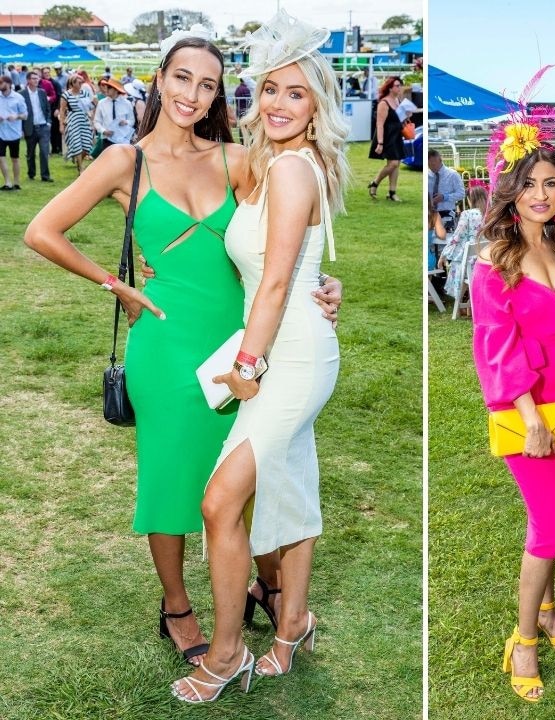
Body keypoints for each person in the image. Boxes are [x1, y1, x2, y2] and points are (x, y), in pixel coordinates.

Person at [25, 25, 343, 685]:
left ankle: (266, 587)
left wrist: (324, 286)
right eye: (181, 78)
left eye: (207, 84)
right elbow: (41, 230)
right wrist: (116, 285)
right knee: (172, 480)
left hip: (240, 343)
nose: (192, 95)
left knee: (239, 476)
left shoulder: (237, 159)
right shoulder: (122, 161)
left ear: (219, 94)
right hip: (166, 346)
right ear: (159, 80)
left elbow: (287, 239)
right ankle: (177, 609)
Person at [166, 11, 350, 701]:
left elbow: (276, 282)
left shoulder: (296, 168)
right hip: (288, 341)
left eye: (295, 93)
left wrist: (246, 366)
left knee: (219, 503)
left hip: (289, 357)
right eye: (269, 90)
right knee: (290, 485)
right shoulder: (272, 162)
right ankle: (293, 622)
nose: (277, 103)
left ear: (317, 106)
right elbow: (281, 267)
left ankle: (225, 651)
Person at [472, 124, 555, 704]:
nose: (542, 194)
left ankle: (546, 611)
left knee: (554, 519)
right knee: (552, 526)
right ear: (510, 191)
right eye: (530, 185)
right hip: (532, 412)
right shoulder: (495, 262)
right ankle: (522, 642)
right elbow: (498, 344)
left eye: (551, 183)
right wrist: (532, 414)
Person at [438, 183, 489, 298]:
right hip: (488, 262)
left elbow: (456, 237)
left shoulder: (467, 214)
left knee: (458, 262)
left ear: (470, 199)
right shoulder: (492, 214)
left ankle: (460, 301)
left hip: (471, 265)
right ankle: (469, 305)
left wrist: (443, 255)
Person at [368, 76, 405, 201]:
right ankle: (375, 182)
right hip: (387, 137)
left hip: (397, 135)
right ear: (390, 88)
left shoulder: (398, 101)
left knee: (396, 164)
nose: (399, 87)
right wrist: (380, 142)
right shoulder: (384, 103)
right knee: (393, 163)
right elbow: (379, 124)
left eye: (400, 85)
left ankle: (392, 192)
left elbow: (400, 118)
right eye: (397, 85)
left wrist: (408, 114)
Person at [19, 71, 52, 183]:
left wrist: (48, 122)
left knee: (44, 151)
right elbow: (20, 112)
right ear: (28, 80)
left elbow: (48, 109)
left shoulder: (42, 92)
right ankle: (31, 173)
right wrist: (22, 129)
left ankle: (45, 176)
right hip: (30, 127)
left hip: (43, 127)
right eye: (33, 78)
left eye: (37, 78)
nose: (36, 80)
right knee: (30, 153)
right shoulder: (22, 94)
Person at [59, 74, 95, 174]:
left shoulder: (85, 93)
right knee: (76, 143)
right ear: (73, 83)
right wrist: (61, 124)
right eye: (79, 83)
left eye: (81, 82)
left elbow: (89, 107)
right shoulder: (66, 95)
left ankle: (80, 162)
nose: (81, 84)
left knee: (86, 144)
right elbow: (62, 110)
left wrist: (94, 104)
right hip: (73, 119)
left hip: (84, 119)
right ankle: (81, 167)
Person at [93, 77, 137, 149]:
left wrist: (126, 122)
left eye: (109, 87)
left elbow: (132, 120)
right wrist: (103, 131)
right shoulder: (101, 103)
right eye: (106, 86)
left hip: (122, 139)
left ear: (116, 90)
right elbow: (96, 121)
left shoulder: (127, 103)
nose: (106, 89)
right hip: (107, 139)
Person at [428, 147, 465, 230]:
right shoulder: (427, 175)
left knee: (445, 240)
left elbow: (461, 194)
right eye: (429, 165)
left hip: (446, 213)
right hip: (429, 213)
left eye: (433, 164)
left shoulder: (453, 175)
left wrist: (444, 197)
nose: (431, 167)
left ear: (440, 161)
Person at [0, 75, 26, 190]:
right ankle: (7, 182)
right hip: (1, 132)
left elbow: (25, 115)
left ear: (8, 84)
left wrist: (16, 116)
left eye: (1, 83)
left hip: (14, 132)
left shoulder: (18, 98)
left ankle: (16, 182)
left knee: (14, 158)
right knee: (1, 157)